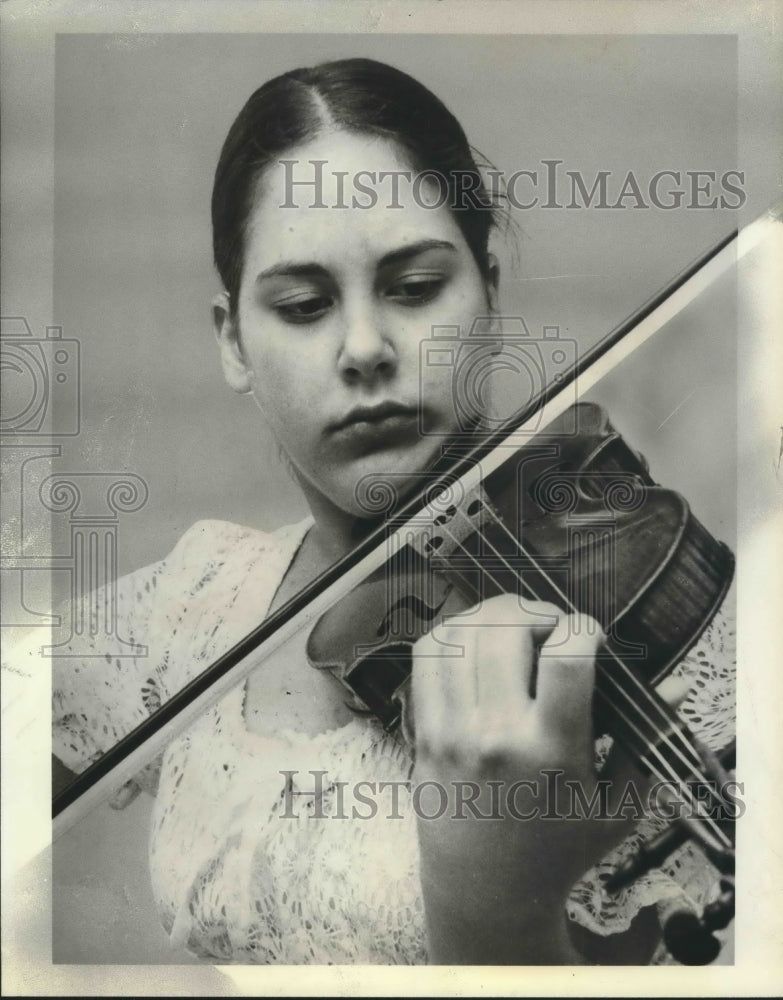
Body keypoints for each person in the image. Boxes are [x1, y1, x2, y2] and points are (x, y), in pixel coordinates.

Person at [44, 58, 735, 964]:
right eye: (302, 305)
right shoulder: (190, 605)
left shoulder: (669, 617)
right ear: (233, 343)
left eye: (413, 289)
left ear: (487, 290)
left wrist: (496, 896)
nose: (366, 347)